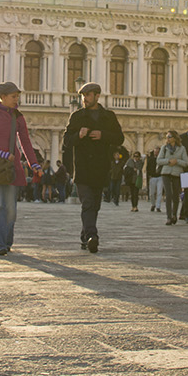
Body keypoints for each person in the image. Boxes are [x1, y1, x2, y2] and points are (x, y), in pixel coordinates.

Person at [0, 81, 41, 256]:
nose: (16, 99)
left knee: (11, 209)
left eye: (17, 96)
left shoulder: (17, 116)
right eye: (13, 96)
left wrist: (33, 163)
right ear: (2, 97)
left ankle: (6, 241)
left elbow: (25, 142)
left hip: (12, 167)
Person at [63, 82, 123, 253]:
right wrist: (79, 135)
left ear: (97, 96)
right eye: (83, 96)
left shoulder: (108, 117)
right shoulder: (77, 117)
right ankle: (92, 236)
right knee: (88, 202)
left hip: (101, 167)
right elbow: (66, 141)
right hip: (83, 168)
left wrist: (103, 135)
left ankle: (85, 236)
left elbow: (119, 138)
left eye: (88, 95)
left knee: (95, 204)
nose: (84, 99)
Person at [156, 132, 188, 224]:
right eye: (166, 137)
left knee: (175, 195)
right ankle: (169, 217)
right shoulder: (164, 148)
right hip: (165, 173)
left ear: (175, 138)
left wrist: (177, 161)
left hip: (176, 174)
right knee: (168, 194)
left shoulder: (182, 149)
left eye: (169, 137)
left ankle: (174, 215)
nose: (168, 138)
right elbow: (158, 160)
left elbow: (186, 162)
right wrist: (169, 161)